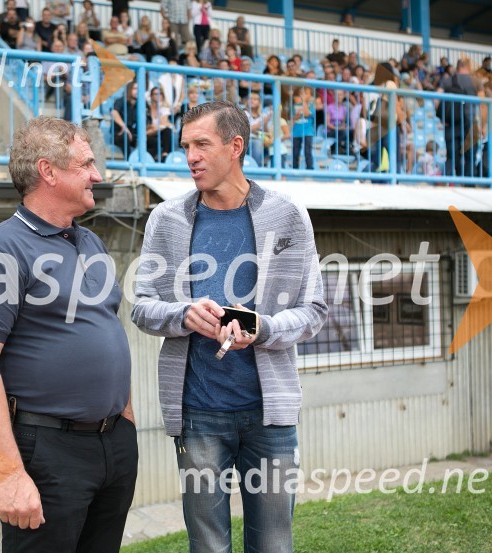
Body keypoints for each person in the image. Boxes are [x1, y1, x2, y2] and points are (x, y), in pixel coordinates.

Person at [130, 100, 327, 553]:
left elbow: (313, 309)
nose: (191, 157)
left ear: (235, 146)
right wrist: (183, 316)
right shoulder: (167, 220)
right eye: (185, 147)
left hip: (270, 418)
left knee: (274, 544)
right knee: (208, 546)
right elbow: (142, 306)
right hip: (198, 415)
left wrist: (264, 328)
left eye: (202, 144)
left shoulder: (288, 216)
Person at [0, 116, 137, 552]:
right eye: (87, 164)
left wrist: (125, 422)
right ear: (48, 171)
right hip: (49, 450)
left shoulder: (90, 243)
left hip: (112, 443)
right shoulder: (1, 249)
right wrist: (10, 474)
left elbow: (109, 329)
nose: (98, 175)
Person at [291, 86, 315, 170]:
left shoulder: (311, 105)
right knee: (295, 152)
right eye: (301, 93)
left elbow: (307, 113)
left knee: (307, 152)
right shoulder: (295, 105)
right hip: (296, 132)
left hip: (308, 132)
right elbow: (293, 119)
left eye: (306, 93)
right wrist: (296, 117)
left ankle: (310, 169)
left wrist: (304, 101)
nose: (303, 95)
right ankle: (294, 170)